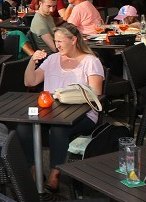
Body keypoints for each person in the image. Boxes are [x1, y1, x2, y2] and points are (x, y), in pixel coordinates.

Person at [20, 23, 104, 191]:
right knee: (23, 127)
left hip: (83, 113)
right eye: (55, 41)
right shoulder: (52, 59)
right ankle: (34, 169)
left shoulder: (91, 62)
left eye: (60, 41)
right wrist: (32, 61)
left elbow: (96, 95)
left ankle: (54, 174)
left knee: (58, 130)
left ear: (73, 40)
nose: (56, 45)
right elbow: (30, 81)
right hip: (51, 111)